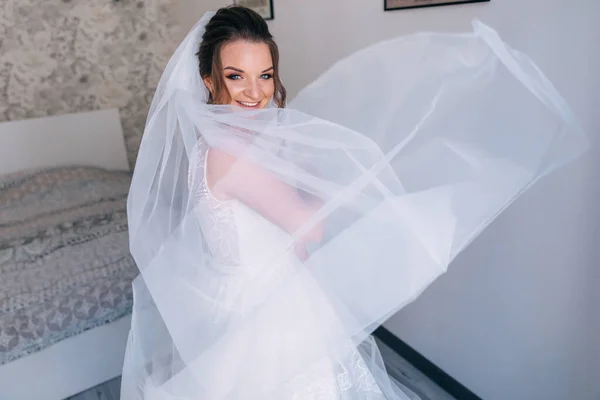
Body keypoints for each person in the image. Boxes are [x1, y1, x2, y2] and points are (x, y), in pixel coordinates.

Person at [121, 5, 587, 400]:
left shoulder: (212, 142)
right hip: (268, 313)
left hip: (234, 296)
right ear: (207, 80)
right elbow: (311, 227)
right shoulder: (232, 154)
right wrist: (337, 184)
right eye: (235, 76)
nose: (256, 91)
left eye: (265, 75)